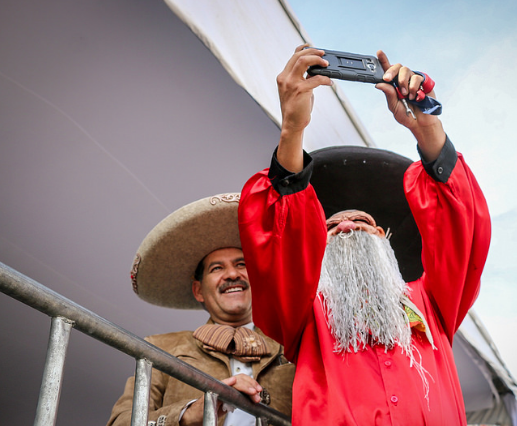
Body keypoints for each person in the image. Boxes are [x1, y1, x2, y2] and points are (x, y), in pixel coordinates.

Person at [238, 45, 491, 425]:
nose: (346, 226)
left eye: (361, 222)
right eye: (331, 227)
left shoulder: (432, 302)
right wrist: (292, 129)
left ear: (383, 238)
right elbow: (277, 241)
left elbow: (461, 225)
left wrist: (427, 126)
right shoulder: (303, 315)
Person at [107, 194, 294, 426]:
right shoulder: (161, 348)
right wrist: (190, 413)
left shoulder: (294, 345)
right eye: (217, 268)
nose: (232, 274)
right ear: (198, 291)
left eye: (241, 264)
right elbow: (120, 422)